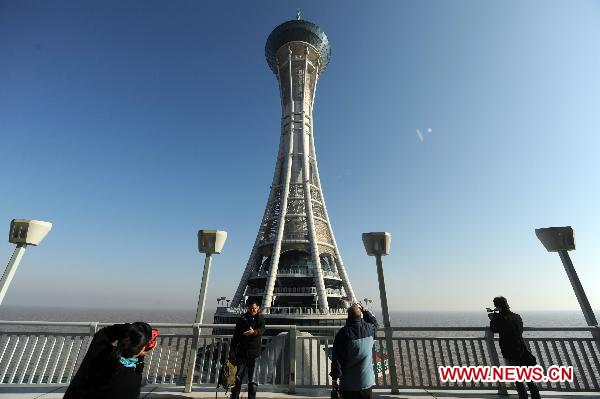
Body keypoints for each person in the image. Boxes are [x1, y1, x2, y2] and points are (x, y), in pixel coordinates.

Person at [64, 322, 156, 399]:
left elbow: (103, 333)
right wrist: (141, 350)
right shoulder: (134, 380)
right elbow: (137, 365)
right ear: (142, 349)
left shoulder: (101, 353)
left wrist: (128, 328)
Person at [489, 296, 541, 399]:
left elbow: (494, 329)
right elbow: (519, 330)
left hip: (510, 351)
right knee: (529, 377)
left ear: (497, 306)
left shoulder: (501, 319)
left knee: (518, 379)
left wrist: (493, 319)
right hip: (523, 350)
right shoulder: (517, 316)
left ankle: (523, 397)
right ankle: (536, 397)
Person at [330, 303, 378, 399]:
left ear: (348, 316)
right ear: (360, 315)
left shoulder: (343, 334)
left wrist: (334, 381)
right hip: (367, 383)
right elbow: (375, 323)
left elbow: (337, 361)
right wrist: (364, 311)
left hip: (349, 385)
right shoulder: (370, 329)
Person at [229, 300, 265, 399]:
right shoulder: (242, 319)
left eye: (254, 308)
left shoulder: (260, 319)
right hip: (242, 352)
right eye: (251, 308)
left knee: (252, 379)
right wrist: (232, 350)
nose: (252, 310)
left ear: (258, 308)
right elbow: (236, 335)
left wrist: (254, 332)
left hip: (254, 353)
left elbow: (262, 330)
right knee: (237, 377)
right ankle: (234, 396)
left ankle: (251, 397)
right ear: (248, 308)